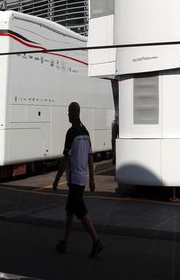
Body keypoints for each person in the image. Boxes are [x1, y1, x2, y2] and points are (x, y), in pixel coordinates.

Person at [53, 102, 104, 258]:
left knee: (81, 212)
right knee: (70, 211)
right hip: (81, 179)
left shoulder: (71, 133)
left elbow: (66, 159)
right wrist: (92, 178)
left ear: (74, 113)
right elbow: (90, 157)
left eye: (69, 112)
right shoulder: (85, 132)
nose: (67, 115)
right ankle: (65, 242)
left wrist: (56, 179)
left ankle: (97, 242)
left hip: (74, 179)